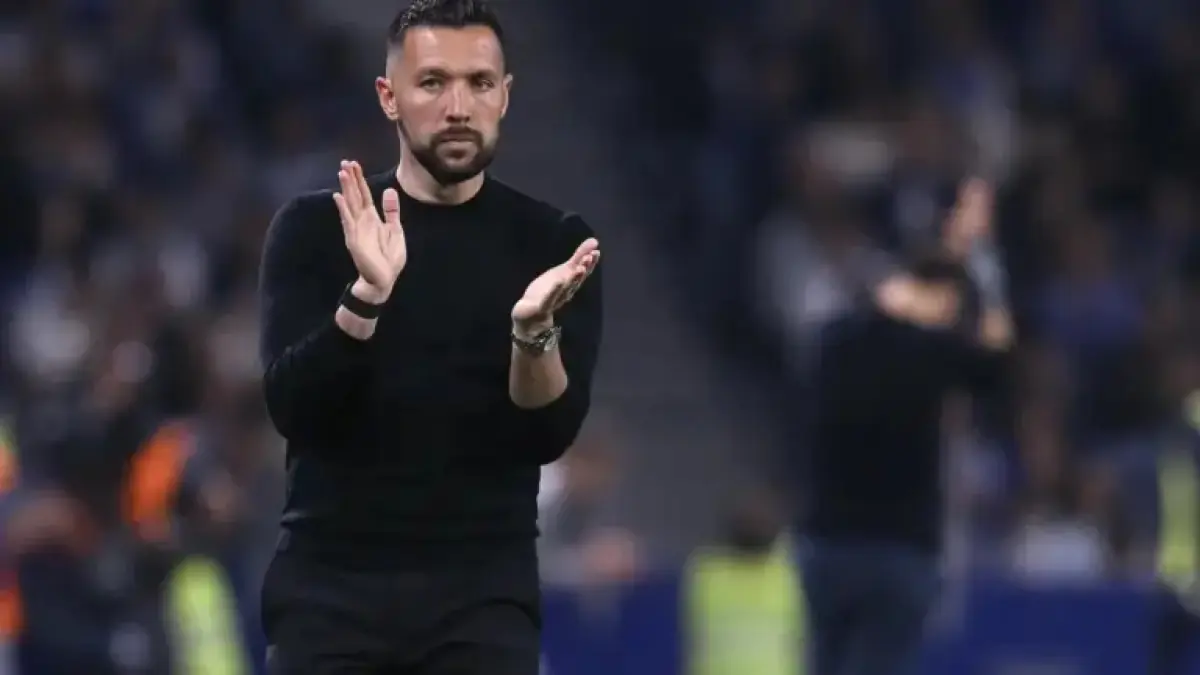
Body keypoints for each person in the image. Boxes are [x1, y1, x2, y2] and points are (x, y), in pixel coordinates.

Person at [256, 0, 603, 673]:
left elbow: (549, 432)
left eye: (479, 83)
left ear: (505, 96)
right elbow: (292, 407)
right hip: (330, 595)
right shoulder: (316, 229)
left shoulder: (555, 245)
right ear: (389, 97)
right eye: (433, 82)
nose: (458, 107)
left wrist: (532, 333)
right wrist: (366, 297)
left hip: (482, 602)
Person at [798, 180, 1012, 675]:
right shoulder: (931, 355)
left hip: (827, 543)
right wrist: (987, 274)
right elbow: (997, 363)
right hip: (899, 547)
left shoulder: (835, 342)